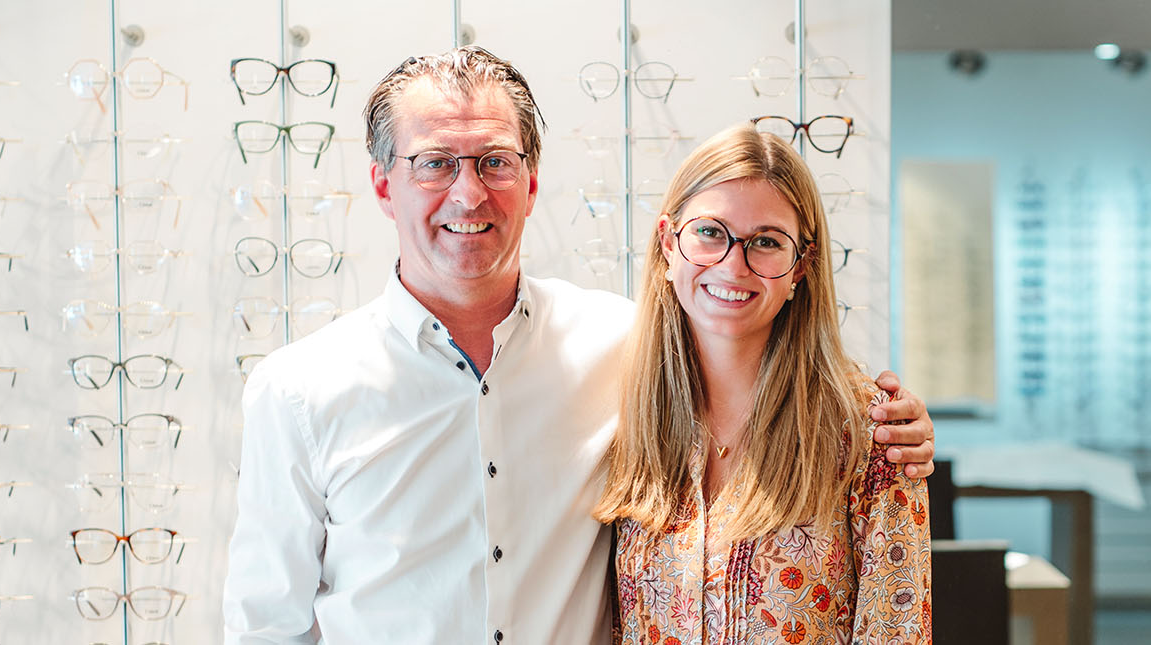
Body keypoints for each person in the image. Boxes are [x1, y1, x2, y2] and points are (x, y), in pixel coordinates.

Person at [221, 46, 936, 645]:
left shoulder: (626, 348)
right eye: (436, 162)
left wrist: (895, 423)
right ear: (383, 184)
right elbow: (265, 626)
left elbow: (757, 346)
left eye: (495, 162)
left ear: (531, 182)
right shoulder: (299, 392)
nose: (469, 195)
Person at [594, 124, 931, 644]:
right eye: (709, 232)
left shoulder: (870, 432)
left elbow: (897, 632)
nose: (733, 264)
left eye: (767, 242)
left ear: (802, 266)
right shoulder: (620, 414)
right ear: (668, 243)